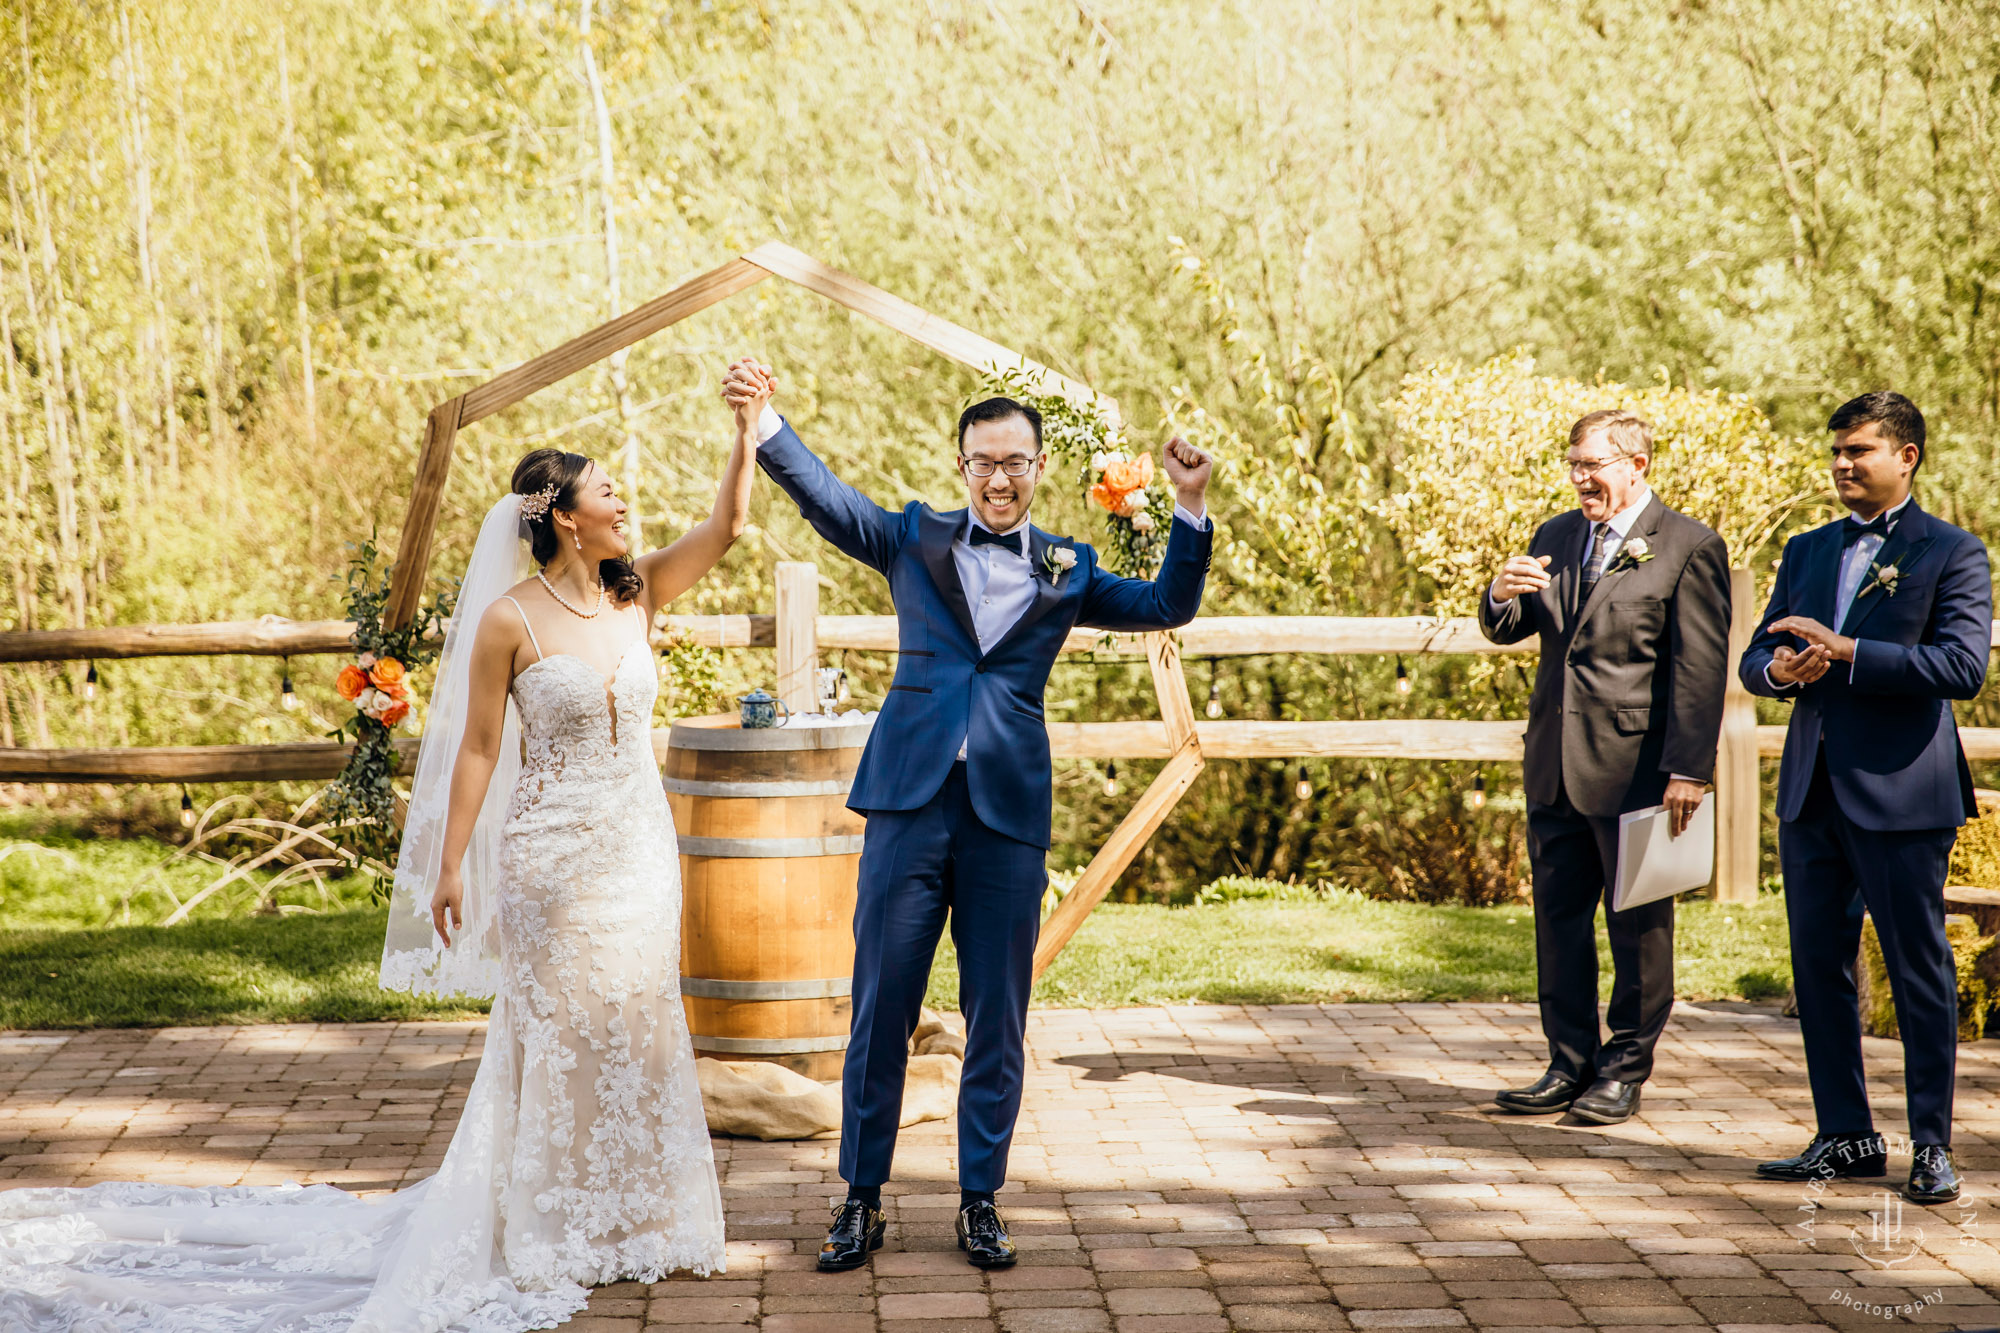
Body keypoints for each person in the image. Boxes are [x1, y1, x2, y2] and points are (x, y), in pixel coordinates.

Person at [0, 382, 768, 1330]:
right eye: (608, 490)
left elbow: (729, 524)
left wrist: (745, 428)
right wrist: (452, 866)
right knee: (561, 1037)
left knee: (640, 1024)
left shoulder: (636, 592)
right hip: (550, 864)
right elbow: (481, 748)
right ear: (565, 518)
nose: (625, 501)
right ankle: (553, 1228)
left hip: (641, 855)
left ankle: (640, 1220)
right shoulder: (508, 622)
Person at [721, 357, 1211, 1272]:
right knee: (881, 1009)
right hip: (909, 805)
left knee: (999, 1015)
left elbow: (1167, 602)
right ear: (960, 465)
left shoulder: (1073, 566)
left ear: (1036, 468)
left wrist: (1187, 505)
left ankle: (980, 1200)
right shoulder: (912, 538)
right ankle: (859, 1199)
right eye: (984, 460)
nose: (999, 476)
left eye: (1016, 461)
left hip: (1006, 817)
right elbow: (831, 502)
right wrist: (767, 423)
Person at [1742, 391, 1992, 1204]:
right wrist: (1778, 673)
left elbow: (1962, 668)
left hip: (1903, 795)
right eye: (1838, 452)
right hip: (1811, 787)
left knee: (1918, 968)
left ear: (1906, 456)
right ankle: (1846, 1134)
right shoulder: (1807, 548)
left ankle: (1931, 1143)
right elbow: (1756, 656)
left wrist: (1851, 651)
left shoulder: (1952, 551)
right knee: (1819, 967)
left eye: (1860, 451)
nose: (1844, 465)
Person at [1479, 409, 1732, 1126]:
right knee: (1558, 923)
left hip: (1639, 771)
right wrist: (1500, 594)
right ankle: (1568, 1062)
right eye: (1572, 464)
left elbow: (1700, 668)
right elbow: (1511, 627)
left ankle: (1624, 1068)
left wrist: (1689, 769)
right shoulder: (1557, 535)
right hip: (1554, 765)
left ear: (1637, 464)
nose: (1579, 478)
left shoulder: (1688, 546)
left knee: (1639, 928)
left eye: (1591, 465)